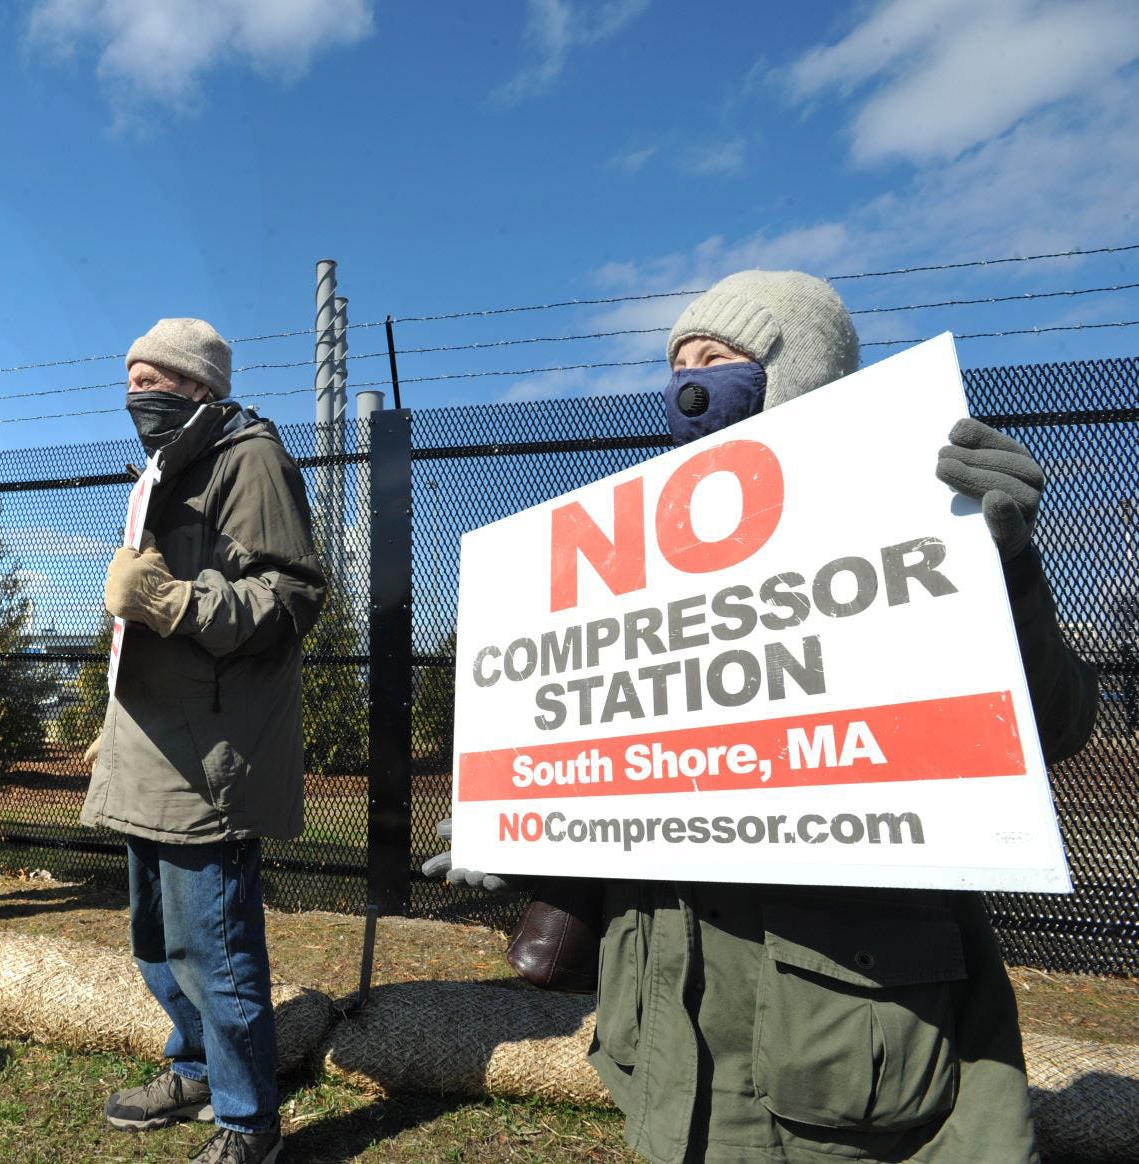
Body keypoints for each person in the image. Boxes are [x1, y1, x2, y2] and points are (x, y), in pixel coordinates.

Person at [433, 270, 1098, 1164]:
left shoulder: (908, 514)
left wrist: (1006, 572)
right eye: (674, 363)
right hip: (667, 1042)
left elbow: (1053, 728)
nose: (687, 381)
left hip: (842, 1035)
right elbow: (630, 765)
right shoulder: (630, 550)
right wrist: (516, 826)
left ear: (800, 372)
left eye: (718, 359)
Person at [81, 318, 326, 1164]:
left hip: (206, 755)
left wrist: (177, 602)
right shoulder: (160, 471)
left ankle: (248, 1124)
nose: (136, 392)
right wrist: (112, 722)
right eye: (129, 376)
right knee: (155, 945)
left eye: (155, 379)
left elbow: (290, 595)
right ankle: (191, 1068)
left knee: (213, 952)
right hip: (151, 738)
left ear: (199, 388)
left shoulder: (246, 457)